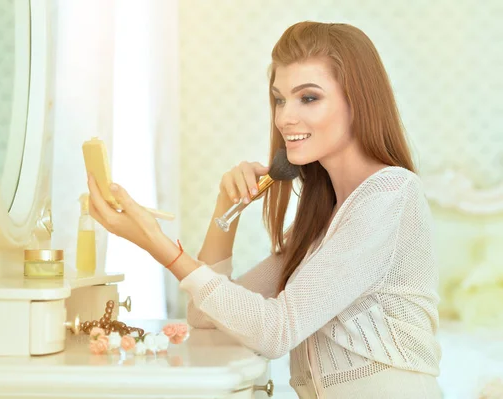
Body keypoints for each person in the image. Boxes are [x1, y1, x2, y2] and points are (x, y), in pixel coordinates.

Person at [87, 21, 442, 398]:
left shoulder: (390, 195)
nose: (285, 117)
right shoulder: (323, 220)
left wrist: (158, 246)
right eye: (279, 98)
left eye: (308, 98)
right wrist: (227, 209)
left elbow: (276, 331)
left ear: (359, 102)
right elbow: (205, 317)